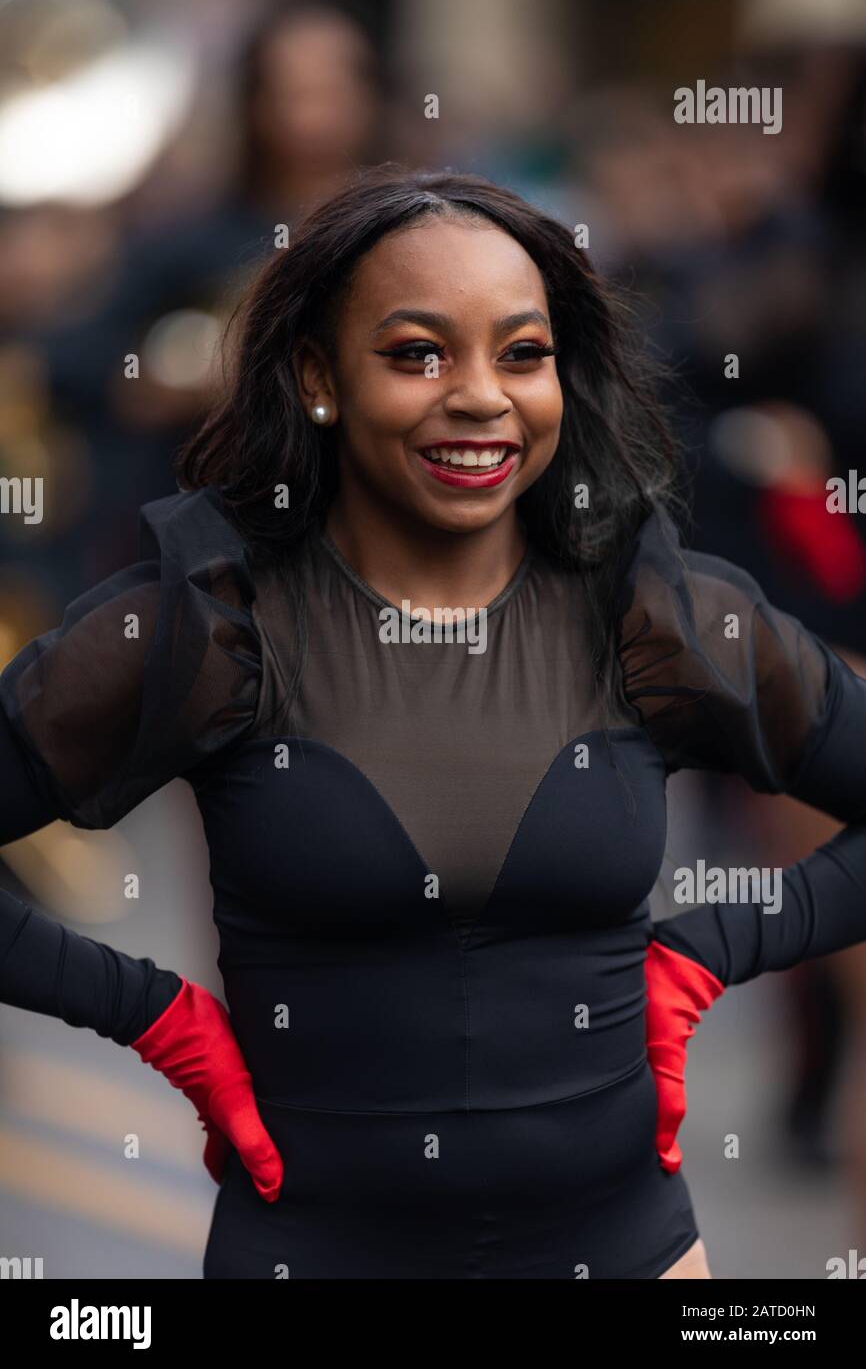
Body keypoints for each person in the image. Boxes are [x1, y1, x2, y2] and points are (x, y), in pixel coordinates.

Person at [1, 166, 865, 1280]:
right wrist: (155, 1015)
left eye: (520, 353)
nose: (480, 397)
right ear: (317, 376)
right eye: (416, 353)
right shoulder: (209, 627)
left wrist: (710, 952)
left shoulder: (656, 614)